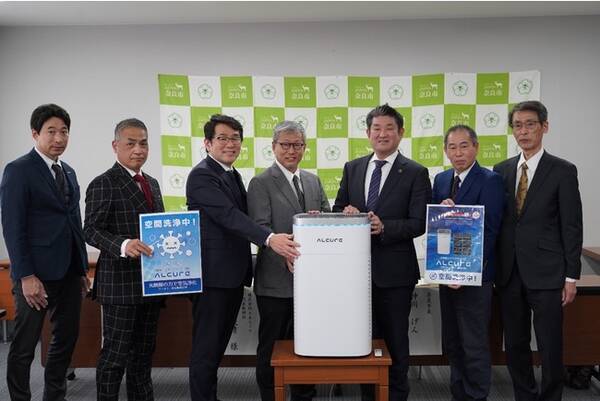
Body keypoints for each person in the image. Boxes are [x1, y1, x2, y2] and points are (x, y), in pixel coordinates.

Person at [186, 114, 300, 401]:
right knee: (206, 348)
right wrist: (270, 238)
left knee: (217, 345)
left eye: (235, 138)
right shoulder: (202, 175)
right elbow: (229, 216)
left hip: (231, 276)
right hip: (212, 277)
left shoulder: (232, 174)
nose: (230, 144)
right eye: (222, 138)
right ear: (207, 143)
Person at [332, 104, 431, 401]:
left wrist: (385, 226)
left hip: (395, 274)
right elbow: (338, 208)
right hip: (355, 274)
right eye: (376, 128)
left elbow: (419, 222)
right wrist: (346, 213)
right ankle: (368, 395)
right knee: (363, 340)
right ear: (368, 133)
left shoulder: (415, 172)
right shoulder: (353, 167)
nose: (382, 134)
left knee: (395, 340)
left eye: (389, 128)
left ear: (401, 133)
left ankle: (397, 395)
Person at [493, 100, 583, 401]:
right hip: (509, 272)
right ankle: (525, 395)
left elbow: (572, 225)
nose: (523, 131)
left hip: (548, 273)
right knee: (515, 344)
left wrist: (571, 277)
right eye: (518, 125)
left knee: (549, 344)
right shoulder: (502, 170)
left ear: (544, 127)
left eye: (530, 124)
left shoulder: (563, 170)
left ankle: (551, 397)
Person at [0, 103, 89, 401]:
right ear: (35, 134)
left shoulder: (68, 171)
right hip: (35, 275)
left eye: (64, 131)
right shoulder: (18, 170)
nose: (59, 138)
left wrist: (81, 269)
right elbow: (13, 228)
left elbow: (74, 222)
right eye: (51, 131)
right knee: (25, 346)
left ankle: (55, 396)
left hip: (68, 272)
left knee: (65, 340)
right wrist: (26, 276)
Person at [247, 121, 330, 401]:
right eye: (285, 145)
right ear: (274, 147)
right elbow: (260, 229)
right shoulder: (260, 183)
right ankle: (271, 396)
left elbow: (328, 219)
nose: (291, 150)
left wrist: (321, 220)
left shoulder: (313, 180)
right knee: (272, 344)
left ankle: (304, 394)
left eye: (297, 145)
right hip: (275, 281)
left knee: (306, 342)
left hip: (312, 281)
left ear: (304, 148)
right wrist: (285, 253)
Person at [84, 118, 164, 401]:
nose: (138, 149)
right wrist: (123, 244)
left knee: (143, 356)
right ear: (115, 146)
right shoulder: (104, 183)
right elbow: (90, 230)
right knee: (115, 356)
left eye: (143, 143)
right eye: (130, 143)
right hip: (120, 285)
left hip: (151, 284)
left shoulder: (152, 183)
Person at [432, 125, 504, 401]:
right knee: (453, 341)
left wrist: (464, 271)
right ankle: (459, 393)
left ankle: (476, 395)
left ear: (476, 147)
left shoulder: (490, 180)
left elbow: (490, 231)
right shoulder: (441, 180)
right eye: (452, 147)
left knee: (474, 342)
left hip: (475, 276)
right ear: (445, 150)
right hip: (446, 274)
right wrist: (443, 212)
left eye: (464, 146)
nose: (458, 153)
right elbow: (436, 226)